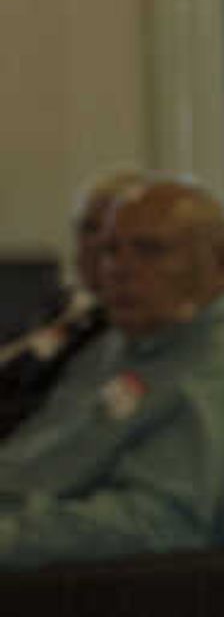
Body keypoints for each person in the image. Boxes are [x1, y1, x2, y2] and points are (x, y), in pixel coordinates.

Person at [0, 178, 224, 568]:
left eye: (150, 250)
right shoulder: (130, 342)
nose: (117, 269)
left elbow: (158, 525)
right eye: (109, 251)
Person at [0, 167, 146, 439]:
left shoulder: (126, 327)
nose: (95, 243)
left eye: (111, 231)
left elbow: (49, 416)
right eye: (87, 228)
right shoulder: (65, 306)